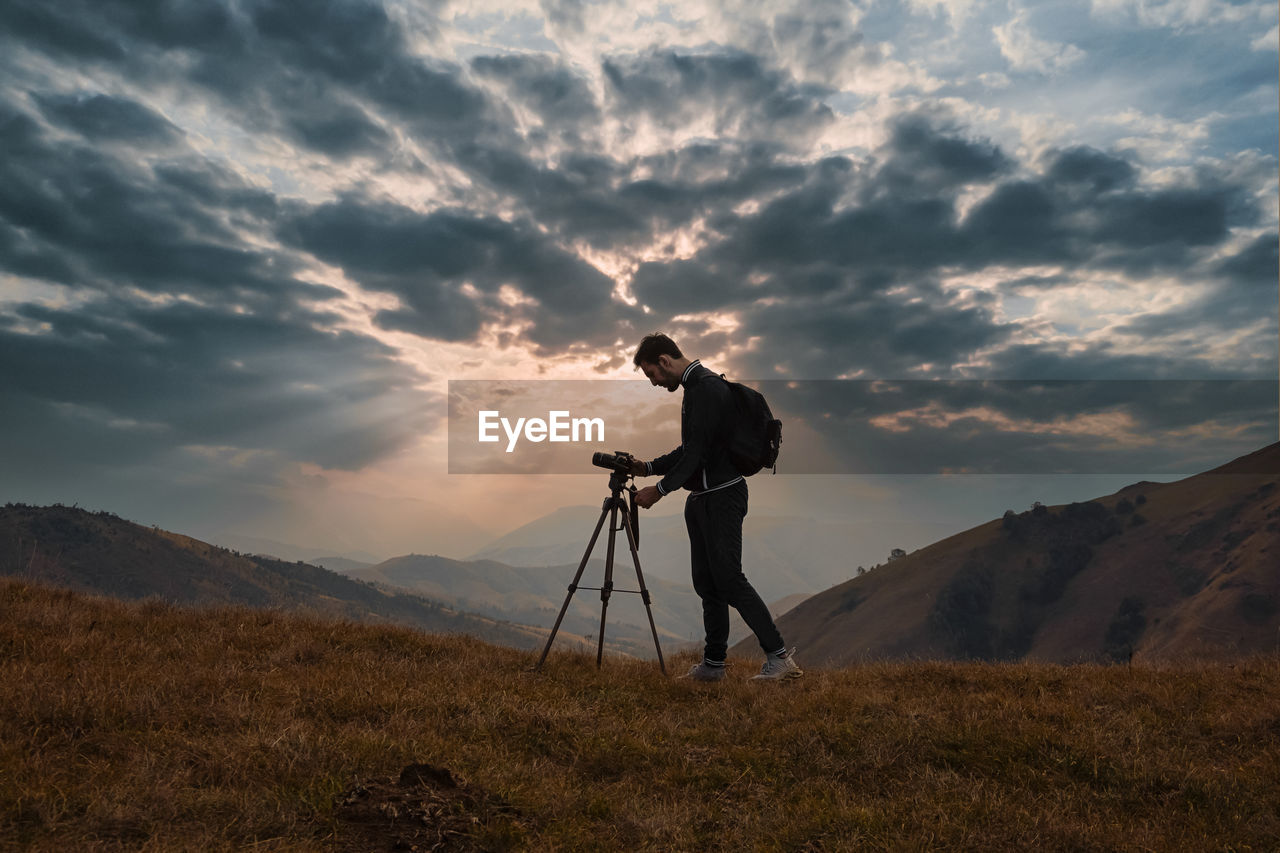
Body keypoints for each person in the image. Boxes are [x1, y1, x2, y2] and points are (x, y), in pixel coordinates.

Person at [628, 333, 802, 682]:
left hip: (723, 496)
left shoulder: (706, 389)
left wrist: (658, 490)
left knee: (729, 579)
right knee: (707, 583)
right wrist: (646, 467)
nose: (655, 383)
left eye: (653, 375)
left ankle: (780, 658)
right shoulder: (696, 389)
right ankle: (713, 665)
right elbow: (690, 448)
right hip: (703, 498)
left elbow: (696, 455)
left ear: (664, 361)